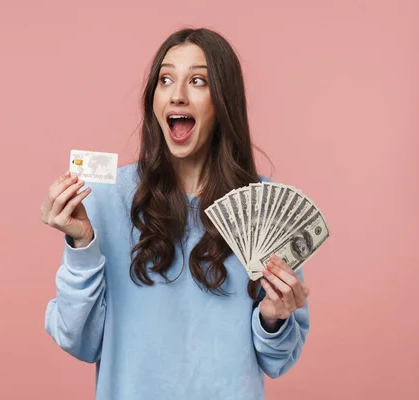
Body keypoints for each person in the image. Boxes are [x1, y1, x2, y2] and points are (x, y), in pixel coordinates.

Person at [41, 27, 310, 400]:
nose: (177, 95)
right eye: (165, 79)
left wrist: (273, 316)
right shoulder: (104, 200)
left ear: (223, 101)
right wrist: (81, 244)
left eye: (198, 81)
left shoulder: (264, 210)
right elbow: (77, 340)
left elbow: (278, 360)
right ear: (153, 97)